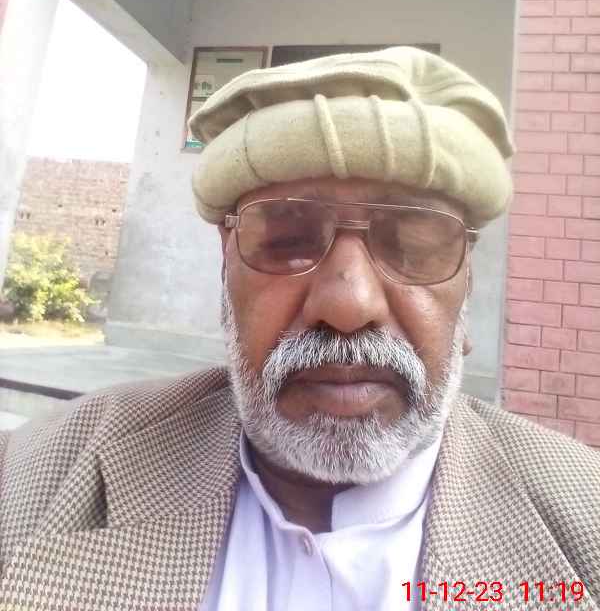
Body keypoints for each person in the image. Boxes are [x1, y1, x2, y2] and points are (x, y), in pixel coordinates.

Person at [1, 47, 598, 611]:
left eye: (413, 246)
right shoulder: (37, 475)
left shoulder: (583, 518)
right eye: (287, 239)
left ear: (465, 290)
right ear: (226, 269)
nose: (348, 304)